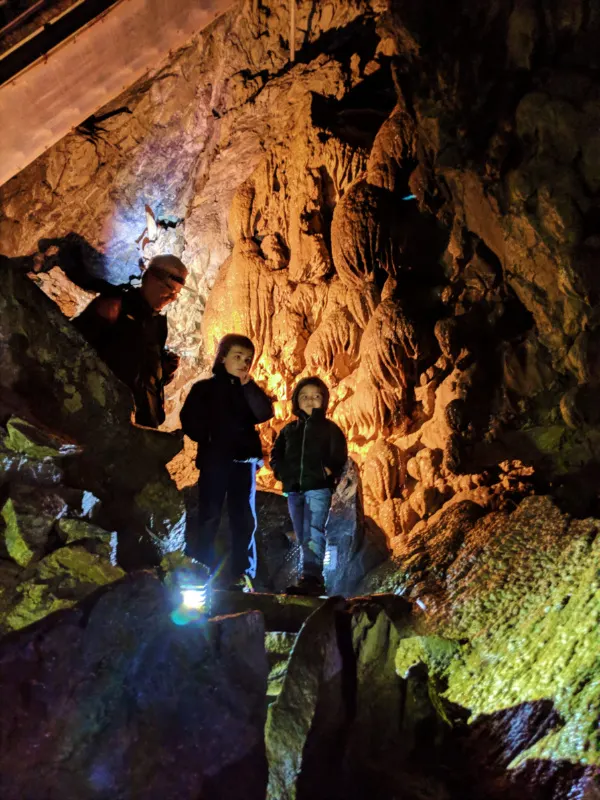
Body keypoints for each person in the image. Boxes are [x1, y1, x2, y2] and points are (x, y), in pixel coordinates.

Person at [179, 333, 274, 590]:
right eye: (237, 357)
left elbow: (264, 412)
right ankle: (202, 567)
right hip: (215, 460)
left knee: (243, 517)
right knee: (209, 514)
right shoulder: (204, 389)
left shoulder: (248, 391)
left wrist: (248, 385)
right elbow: (189, 419)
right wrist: (209, 437)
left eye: (248, 359)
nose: (243, 363)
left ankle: (242, 573)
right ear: (223, 357)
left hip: (244, 462)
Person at [73, 254, 187, 428]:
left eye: (176, 293)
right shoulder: (114, 306)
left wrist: (164, 371)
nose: (172, 297)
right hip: (107, 418)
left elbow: (145, 377)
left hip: (143, 423)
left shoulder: (157, 324)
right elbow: (74, 347)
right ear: (149, 277)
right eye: (168, 288)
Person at [270, 376, 347, 596]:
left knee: (314, 530)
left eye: (316, 396)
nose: (310, 400)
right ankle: (307, 576)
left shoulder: (330, 429)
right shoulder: (288, 431)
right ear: (296, 401)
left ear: (324, 400)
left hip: (318, 487)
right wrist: (281, 472)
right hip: (294, 489)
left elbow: (339, 453)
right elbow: (277, 454)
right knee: (302, 533)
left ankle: (313, 576)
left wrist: (329, 471)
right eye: (304, 396)